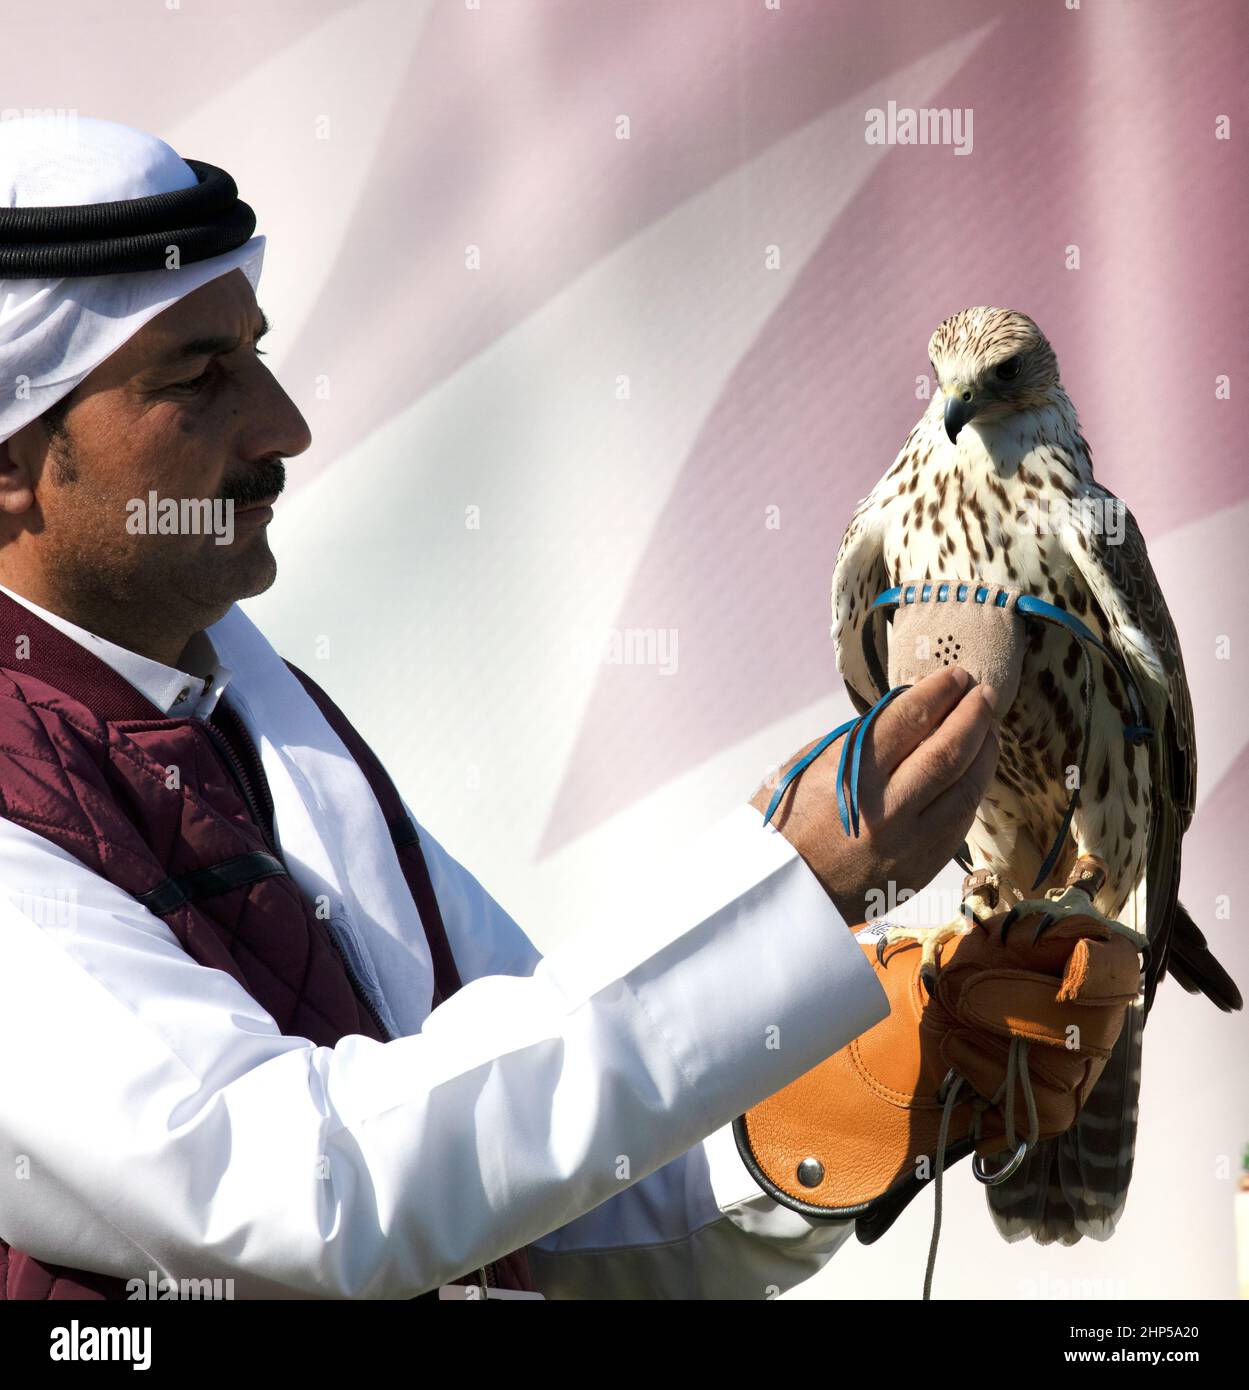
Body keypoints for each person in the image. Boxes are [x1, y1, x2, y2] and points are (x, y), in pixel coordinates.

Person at [0, 116, 1000, 1300]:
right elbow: (306, 1196)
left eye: (255, 354)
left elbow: (541, 1195)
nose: (284, 427)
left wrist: (858, 1098)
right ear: (14, 454)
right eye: (198, 377)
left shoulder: (245, 708)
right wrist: (782, 894)